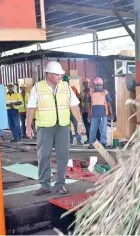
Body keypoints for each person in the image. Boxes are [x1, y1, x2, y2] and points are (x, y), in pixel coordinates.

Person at [25, 61, 84, 196]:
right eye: (57, 75)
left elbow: (74, 106)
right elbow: (31, 108)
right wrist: (28, 126)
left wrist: (79, 123)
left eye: (60, 74)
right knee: (43, 156)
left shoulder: (66, 87)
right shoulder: (38, 88)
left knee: (63, 156)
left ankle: (60, 185)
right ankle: (44, 185)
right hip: (45, 128)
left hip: (63, 127)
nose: (60, 77)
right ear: (49, 75)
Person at [88, 77, 113, 149]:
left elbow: (109, 104)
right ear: (94, 85)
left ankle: (103, 143)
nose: (99, 86)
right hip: (94, 115)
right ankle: (92, 143)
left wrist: (111, 115)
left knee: (103, 130)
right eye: (97, 85)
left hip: (103, 115)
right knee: (93, 130)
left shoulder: (105, 93)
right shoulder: (91, 93)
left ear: (102, 85)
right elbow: (89, 105)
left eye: (100, 85)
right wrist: (89, 116)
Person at [62, 75, 83, 145]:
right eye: (65, 81)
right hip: (66, 112)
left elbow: (78, 99)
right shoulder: (60, 91)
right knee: (68, 128)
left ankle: (78, 140)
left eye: (67, 81)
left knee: (76, 126)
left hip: (73, 111)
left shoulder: (73, 89)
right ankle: (70, 141)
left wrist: (79, 109)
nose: (66, 83)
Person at [81, 78, 91, 144]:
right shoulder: (82, 93)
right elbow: (80, 102)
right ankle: (89, 138)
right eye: (85, 83)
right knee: (86, 126)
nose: (86, 84)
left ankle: (92, 139)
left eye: (87, 83)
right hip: (84, 112)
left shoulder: (92, 92)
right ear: (83, 84)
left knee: (91, 126)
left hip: (90, 112)